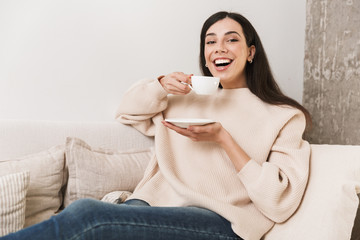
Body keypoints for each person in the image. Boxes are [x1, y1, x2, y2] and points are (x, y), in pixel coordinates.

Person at [1, 11, 311, 240]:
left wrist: (224, 139)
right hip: (146, 208)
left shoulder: (282, 115)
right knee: (83, 216)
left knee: (87, 215)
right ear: (204, 53)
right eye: (210, 41)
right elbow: (126, 112)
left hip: (218, 223)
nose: (220, 48)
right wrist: (160, 85)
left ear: (251, 52)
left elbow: (279, 202)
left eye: (232, 40)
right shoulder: (185, 99)